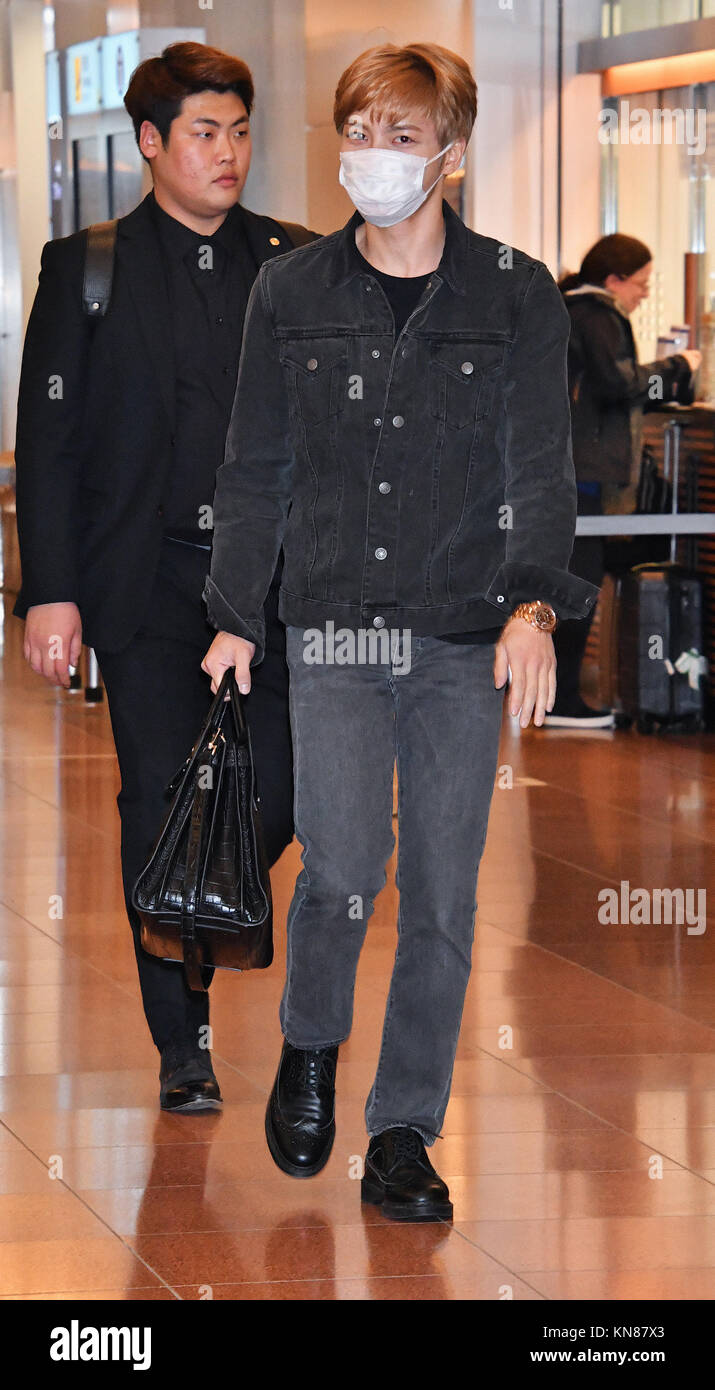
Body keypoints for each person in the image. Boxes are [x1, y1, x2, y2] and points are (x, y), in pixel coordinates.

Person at [202, 41, 598, 1221]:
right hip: (331, 625)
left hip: (459, 633)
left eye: (401, 136)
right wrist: (232, 614)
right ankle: (312, 1042)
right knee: (337, 873)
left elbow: (542, 468)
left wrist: (534, 607)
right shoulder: (291, 292)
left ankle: (404, 1129)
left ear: (453, 155)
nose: (373, 158)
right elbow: (254, 463)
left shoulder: (517, 294)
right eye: (358, 134)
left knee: (439, 890)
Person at [13, 43, 317, 1112]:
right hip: (142, 585)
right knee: (158, 800)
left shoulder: (293, 261)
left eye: (238, 131)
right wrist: (47, 591)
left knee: (276, 791)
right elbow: (47, 441)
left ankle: (203, 912)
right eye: (203, 132)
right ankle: (181, 1043)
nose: (227, 152)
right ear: (150, 143)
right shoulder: (88, 268)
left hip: (270, 589)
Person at [544, 235, 701, 729]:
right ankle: (563, 699)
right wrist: (677, 367)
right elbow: (620, 384)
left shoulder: (569, 309)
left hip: (566, 466)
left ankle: (556, 694)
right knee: (579, 580)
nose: (645, 295)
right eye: (643, 284)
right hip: (583, 471)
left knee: (573, 577)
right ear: (614, 280)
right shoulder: (597, 315)